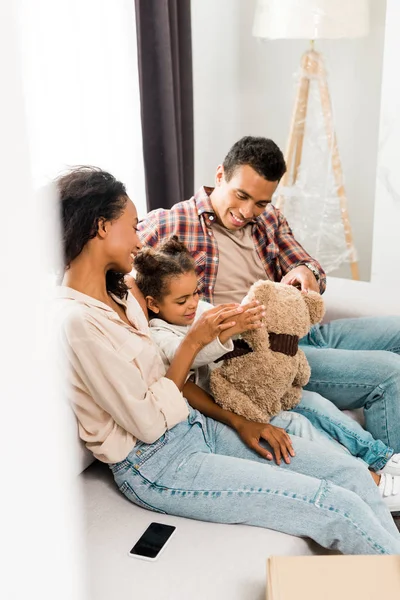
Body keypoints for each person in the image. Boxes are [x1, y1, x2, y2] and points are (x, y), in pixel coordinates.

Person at [56, 166, 400, 555]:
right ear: (102, 227)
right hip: (157, 464)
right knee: (335, 505)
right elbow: (149, 424)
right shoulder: (77, 322)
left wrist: (241, 421)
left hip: (196, 425)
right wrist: (195, 342)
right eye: (133, 227)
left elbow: (173, 386)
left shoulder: (121, 295)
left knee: (351, 474)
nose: (139, 240)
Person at [137, 135, 400, 453]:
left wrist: (306, 272)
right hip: (267, 353)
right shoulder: (170, 223)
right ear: (220, 175)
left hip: (306, 331)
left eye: (260, 202)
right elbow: (121, 265)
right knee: (390, 374)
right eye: (241, 195)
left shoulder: (269, 219)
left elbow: (309, 266)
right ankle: (391, 475)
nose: (248, 211)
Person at [132, 235, 400, 510]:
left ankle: (381, 457)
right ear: (153, 304)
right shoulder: (159, 334)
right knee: (299, 426)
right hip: (231, 403)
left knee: (316, 403)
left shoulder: (199, 309)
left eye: (196, 292)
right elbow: (189, 356)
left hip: (252, 384)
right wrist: (222, 334)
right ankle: (370, 483)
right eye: (182, 300)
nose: (193, 304)